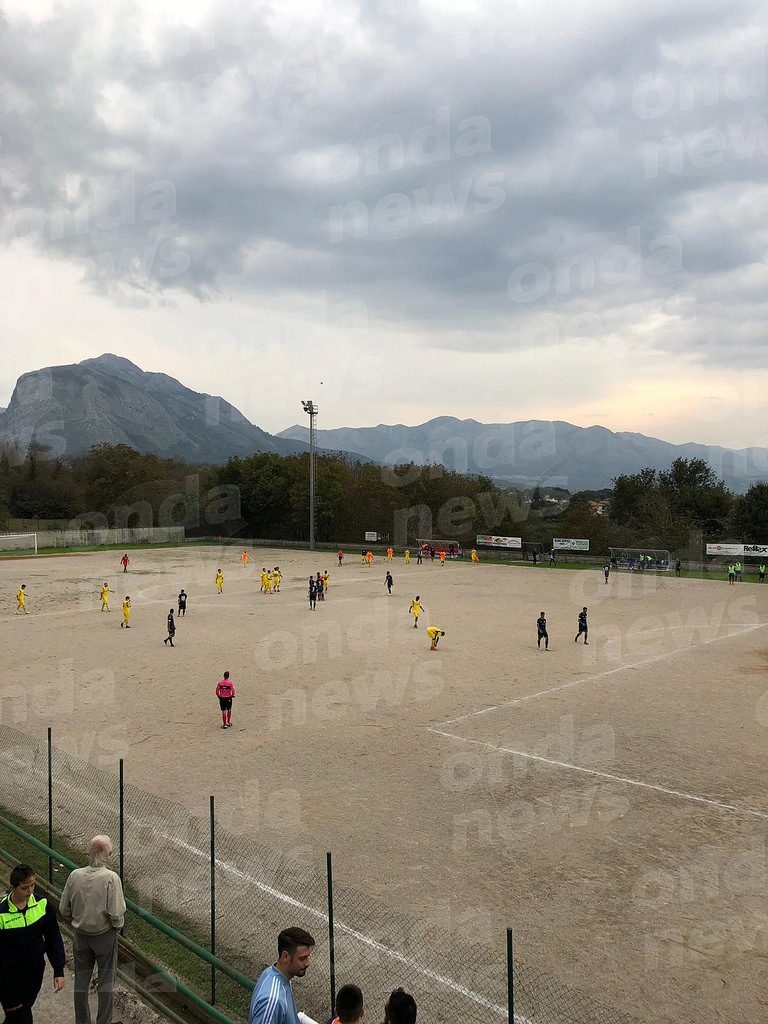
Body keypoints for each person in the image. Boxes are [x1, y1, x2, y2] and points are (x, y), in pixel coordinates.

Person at [59, 835, 125, 1024]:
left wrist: (78, 920)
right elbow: (116, 913)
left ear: (89, 853)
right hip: (104, 935)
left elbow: (64, 909)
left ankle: (82, 1021)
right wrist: (116, 927)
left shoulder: (75, 875)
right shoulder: (111, 878)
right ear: (108, 855)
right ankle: (103, 1021)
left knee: (81, 981)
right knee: (106, 982)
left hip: (80, 935)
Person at [0, 863, 66, 1023]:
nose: (30, 891)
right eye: (24, 888)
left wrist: (58, 970)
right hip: (9, 978)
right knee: (21, 1018)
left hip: (35, 972)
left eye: (32, 885)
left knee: (19, 1015)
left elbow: (53, 938)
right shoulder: (1, 914)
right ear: (12, 888)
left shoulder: (42, 905)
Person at [248, 927, 315, 1024]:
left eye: (308, 957)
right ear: (285, 956)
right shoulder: (273, 1001)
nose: (308, 963)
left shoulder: (271, 972)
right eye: (302, 959)